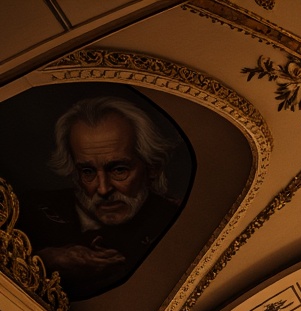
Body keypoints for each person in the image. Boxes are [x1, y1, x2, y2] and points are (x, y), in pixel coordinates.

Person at [21, 95, 182, 300]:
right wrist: (45, 259)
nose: (103, 189)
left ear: (152, 167)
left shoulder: (176, 225)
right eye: (88, 172)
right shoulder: (33, 209)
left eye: (119, 170)